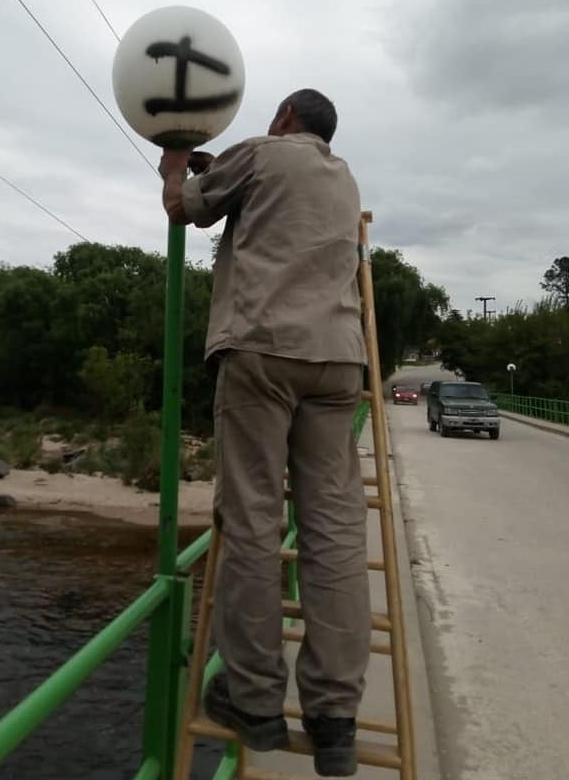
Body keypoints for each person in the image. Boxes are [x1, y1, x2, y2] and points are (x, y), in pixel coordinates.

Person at [159, 88, 370, 778]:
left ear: (284, 116)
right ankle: (334, 718)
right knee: (335, 532)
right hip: (339, 360)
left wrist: (175, 165)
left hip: (262, 351)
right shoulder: (343, 178)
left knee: (252, 520)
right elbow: (276, 202)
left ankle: (252, 701)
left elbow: (183, 209)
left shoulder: (261, 153)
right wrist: (221, 170)